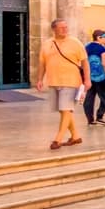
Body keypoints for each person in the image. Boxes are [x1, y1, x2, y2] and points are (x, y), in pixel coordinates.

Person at [36, 18, 89, 151]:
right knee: (63, 110)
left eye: (66, 27)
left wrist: (87, 80)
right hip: (53, 81)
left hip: (71, 81)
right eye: (61, 27)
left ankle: (57, 139)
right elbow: (42, 63)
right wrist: (40, 79)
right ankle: (75, 136)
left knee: (66, 109)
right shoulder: (47, 44)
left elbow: (84, 62)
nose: (65, 29)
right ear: (54, 29)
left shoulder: (75, 43)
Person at [83, 29, 105, 125]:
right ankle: (100, 116)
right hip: (102, 77)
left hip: (89, 76)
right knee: (104, 97)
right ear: (99, 38)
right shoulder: (103, 50)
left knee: (89, 97)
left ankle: (90, 119)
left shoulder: (86, 47)